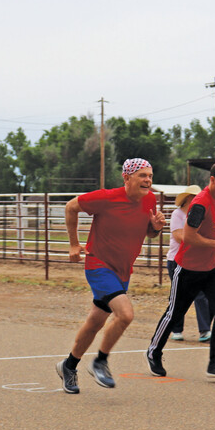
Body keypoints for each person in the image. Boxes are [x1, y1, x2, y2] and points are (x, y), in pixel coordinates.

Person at [55, 158, 166, 394]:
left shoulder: (149, 200)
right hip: (98, 264)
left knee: (96, 321)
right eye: (142, 175)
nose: (148, 180)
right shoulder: (106, 197)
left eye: (150, 175)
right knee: (125, 314)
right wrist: (74, 244)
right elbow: (70, 207)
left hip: (122, 270)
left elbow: (149, 234)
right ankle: (100, 362)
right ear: (127, 178)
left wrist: (155, 227)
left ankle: (69, 365)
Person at [147, 161, 215, 379]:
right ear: (212, 180)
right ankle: (154, 352)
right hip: (187, 268)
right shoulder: (200, 204)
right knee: (175, 312)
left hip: (211, 267)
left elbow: (214, 228)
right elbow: (188, 237)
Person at [166, 185, 212, 343]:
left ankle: (205, 330)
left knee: (200, 295)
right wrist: (198, 240)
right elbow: (179, 236)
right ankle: (176, 329)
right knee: (179, 295)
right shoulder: (177, 214)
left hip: (196, 260)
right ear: (187, 199)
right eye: (194, 197)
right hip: (177, 260)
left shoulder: (201, 214)